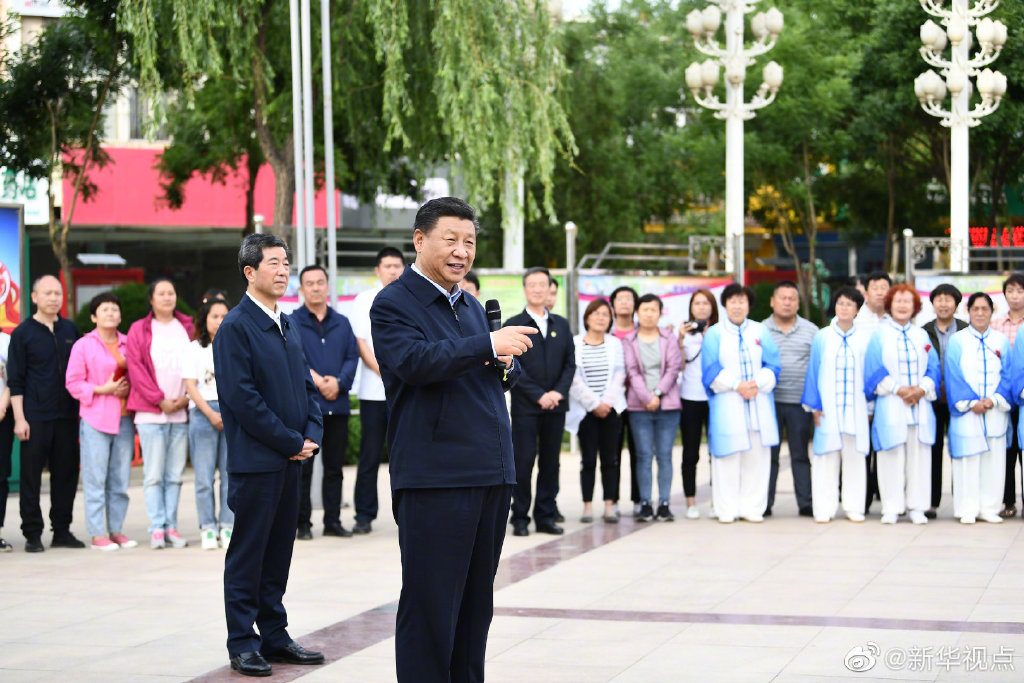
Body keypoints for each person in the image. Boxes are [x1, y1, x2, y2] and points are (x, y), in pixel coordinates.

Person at [369, 197, 534, 683]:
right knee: (431, 607)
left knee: (474, 608)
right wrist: (487, 345)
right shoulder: (394, 303)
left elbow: (486, 374)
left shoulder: (471, 306)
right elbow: (414, 363)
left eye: (470, 242)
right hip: (436, 478)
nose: (462, 251)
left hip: (490, 472)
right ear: (420, 240)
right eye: (451, 240)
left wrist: (505, 363)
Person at [214, 234, 325, 676]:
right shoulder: (236, 327)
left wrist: (311, 432)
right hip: (257, 464)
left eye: (285, 262)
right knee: (249, 555)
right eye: (273, 263)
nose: (283, 270)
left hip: (290, 460)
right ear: (250, 272)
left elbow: (306, 386)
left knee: (279, 553)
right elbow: (243, 400)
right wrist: (289, 441)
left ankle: (274, 636)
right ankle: (242, 642)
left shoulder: (287, 322)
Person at [9, 275, 82, 552]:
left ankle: (61, 530)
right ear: (34, 297)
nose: (53, 298)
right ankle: (32, 533)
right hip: (34, 416)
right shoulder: (23, 333)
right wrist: (19, 418)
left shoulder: (70, 330)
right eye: (47, 293)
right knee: (31, 477)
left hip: (67, 416)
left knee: (66, 475)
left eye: (57, 293)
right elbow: (16, 379)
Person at [701, 284, 781, 524]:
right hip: (728, 402)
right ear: (725, 304)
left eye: (742, 301)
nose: (737, 306)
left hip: (758, 401)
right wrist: (737, 385)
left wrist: (757, 383)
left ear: (749, 305)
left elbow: (773, 364)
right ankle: (726, 509)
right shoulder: (714, 333)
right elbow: (710, 368)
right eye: (733, 301)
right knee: (727, 458)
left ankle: (752, 508)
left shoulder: (760, 330)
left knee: (757, 459)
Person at [506, 266, 576, 536]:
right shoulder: (514, 324)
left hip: (555, 406)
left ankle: (546, 516)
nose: (537, 289)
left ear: (550, 289)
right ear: (525, 289)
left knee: (550, 463)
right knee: (523, 462)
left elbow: (570, 364)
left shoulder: (561, 324)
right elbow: (512, 364)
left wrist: (557, 393)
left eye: (542, 285)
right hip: (526, 407)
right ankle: (520, 517)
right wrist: (539, 395)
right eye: (532, 285)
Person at [65, 292, 136, 551]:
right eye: (104, 309)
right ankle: (97, 534)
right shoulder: (83, 345)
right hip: (96, 418)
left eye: (114, 309)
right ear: (94, 317)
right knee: (95, 479)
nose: (110, 313)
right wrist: (102, 389)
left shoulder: (129, 343)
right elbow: (73, 383)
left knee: (120, 479)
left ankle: (116, 530)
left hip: (125, 419)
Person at [864, 284, 940, 525]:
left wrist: (921, 389)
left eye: (907, 301)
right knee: (891, 455)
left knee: (920, 457)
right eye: (898, 301)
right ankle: (891, 507)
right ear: (890, 304)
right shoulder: (880, 334)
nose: (903, 305)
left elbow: (934, 368)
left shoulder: (922, 335)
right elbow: (873, 369)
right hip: (891, 403)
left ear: (915, 306)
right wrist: (898, 389)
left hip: (920, 405)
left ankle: (917, 507)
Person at [127, 278, 194, 549]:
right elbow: (136, 369)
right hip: (150, 415)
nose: (167, 297)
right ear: (151, 299)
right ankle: (157, 527)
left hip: (180, 412)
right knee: (154, 475)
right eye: (161, 293)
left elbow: (197, 365)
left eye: (171, 292)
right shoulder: (139, 329)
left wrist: (186, 398)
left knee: (175, 475)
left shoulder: (187, 327)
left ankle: (171, 527)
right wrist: (159, 400)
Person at [294, 264, 359, 539]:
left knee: (334, 468)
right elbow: (294, 360)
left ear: (327, 286)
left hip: (338, 405)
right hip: (307, 409)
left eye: (320, 282)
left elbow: (352, 357)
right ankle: (302, 524)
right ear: (301, 289)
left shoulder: (342, 322)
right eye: (309, 283)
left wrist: (339, 383)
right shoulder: (292, 322)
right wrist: (320, 382)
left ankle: (333, 521)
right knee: (303, 469)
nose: (316, 288)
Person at [801, 286, 870, 523]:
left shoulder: (865, 338)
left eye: (850, 304)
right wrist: (814, 406)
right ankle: (824, 508)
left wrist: (870, 407)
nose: (844, 308)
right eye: (840, 303)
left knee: (855, 459)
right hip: (827, 409)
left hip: (856, 409)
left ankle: (854, 507)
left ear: (857, 309)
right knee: (825, 459)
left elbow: (869, 373)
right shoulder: (822, 337)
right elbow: (813, 372)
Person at [350, 246, 404, 534]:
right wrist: (385, 371)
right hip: (373, 392)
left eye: (397, 266)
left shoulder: (411, 298)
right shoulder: (364, 300)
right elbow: (360, 342)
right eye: (387, 266)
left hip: (406, 392)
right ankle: (364, 514)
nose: (393, 271)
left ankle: (405, 513)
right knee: (369, 455)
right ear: (377, 270)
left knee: (404, 455)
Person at [947, 292, 1011, 524]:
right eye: (976, 309)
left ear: (992, 311)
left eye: (985, 309)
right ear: (968, 311)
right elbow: (953, 374)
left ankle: (989, 508)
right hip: (968, 412)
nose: (980, 313)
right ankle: (967, 508)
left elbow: (1009, 374)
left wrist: (994, 399)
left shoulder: (1001, 341)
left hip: (994, 411)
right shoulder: (957, 340)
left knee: (994, 462)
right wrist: (972, 402)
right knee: (968, 461)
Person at [623, 293, 682, 521]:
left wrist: (657, 394)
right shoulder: (629, 340)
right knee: (644, 456)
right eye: (644, 310)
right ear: (637, 313)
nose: (649, 314)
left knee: (665, 455)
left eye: (653, 310)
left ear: (660, 313)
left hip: (668, 406)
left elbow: (674, 368)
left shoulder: (669, 337)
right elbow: (632, 372)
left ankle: (664, 503)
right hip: (639, 407)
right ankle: (646, 503)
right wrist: (647, 397)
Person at [566, 298, 626, 523]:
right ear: (587, 318)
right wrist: (594, 404)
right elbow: (574, 378)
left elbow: (620, 374)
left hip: (611, 410)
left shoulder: (615, 343)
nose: (601, 318)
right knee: (588, 460)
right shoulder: (575, 343)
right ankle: (588, 507)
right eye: (596, 313)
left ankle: (610, 505)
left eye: (605, 314)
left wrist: (605, 403)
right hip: (585, 412)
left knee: (610, 460)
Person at [762, 281, 818, 517]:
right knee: (769, 455)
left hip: (799, 403)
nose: (787, 302)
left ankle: (806, 503)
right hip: (769, 402)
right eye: (782, 298)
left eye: (792, 298)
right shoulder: (760, 330)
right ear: (772, 302)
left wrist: (815, 403)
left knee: (800, 454)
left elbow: (816, 368)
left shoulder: (811, 331)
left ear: (798, 303)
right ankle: (764, 503)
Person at [183, 297, 233, 550]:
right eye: (215, 316)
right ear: (204, 319)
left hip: (231, 413)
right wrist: (211, 414)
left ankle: (227, 525)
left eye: (224, 316)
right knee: (204, 477)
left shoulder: (235, 346)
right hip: (203, 413)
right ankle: (208, 527)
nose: (220, 321)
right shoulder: (193, 349)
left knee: (229, 475)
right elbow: (190, 386)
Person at [922, 283, 967, 518]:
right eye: (939, 299)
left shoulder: (967, 330)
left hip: (960, 400)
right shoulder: (924, 331)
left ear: (956, 305)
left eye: (948, 299)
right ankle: (931, 502)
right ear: (932, 304)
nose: (943, 304)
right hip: (932, 400)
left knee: (961, 450)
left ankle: (962, 502)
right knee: (934, 449)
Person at [677, 288, 718, 519]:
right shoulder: (684, 333)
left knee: (717, 452)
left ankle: (717, 500)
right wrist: (680, 340)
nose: (701, 307)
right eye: (697, 303)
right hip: (690, 398)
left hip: (715, 398)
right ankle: (690, 502)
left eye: (706, 303)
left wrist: (709, 338)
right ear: (691, 307)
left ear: (713, 307)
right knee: (690, 453)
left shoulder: (719, 332)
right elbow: (679, 366)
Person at [858, 271, 891, 514]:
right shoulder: (855, 320)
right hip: (861, 396)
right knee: (862, 451)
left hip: (891, 396)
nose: (880, 292)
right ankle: (862, 500)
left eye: (884, 287)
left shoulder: (897, 321)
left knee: (890, 449)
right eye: (875, 287)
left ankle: (889, 498)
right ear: (866, 292)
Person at [992, 272, 1024, 518]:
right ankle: (1008, 502)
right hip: (1003, 397)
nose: (1015, 296)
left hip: (1023, 396)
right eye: (1010, 291)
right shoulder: (996, 325)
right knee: (1006, 451)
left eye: (1020, 291)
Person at [610, 285, 641, 513]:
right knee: (613, 454)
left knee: (639, 452)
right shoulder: (606, 333)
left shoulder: (644, 332)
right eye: (619, 298)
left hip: (639, 401)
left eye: (629, 298)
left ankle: (639, 500)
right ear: (612, 304)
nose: (624, 302)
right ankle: (613, 501)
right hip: (614, 402)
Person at [0, 330, 11, 552]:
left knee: (0, 476)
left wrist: (2, 405)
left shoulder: (7, 341)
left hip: (2, 415)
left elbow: (14, 378)